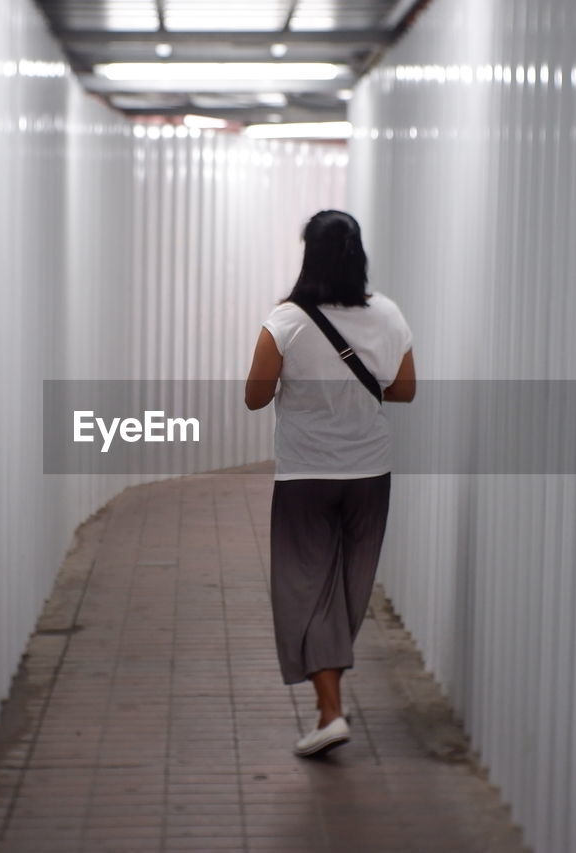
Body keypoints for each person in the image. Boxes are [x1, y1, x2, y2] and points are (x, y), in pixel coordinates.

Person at [244, 209, 416, 757]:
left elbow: (254, 395)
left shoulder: (287, 321)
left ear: (308, 255)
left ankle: (330, 710)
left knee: (305, 587)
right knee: (348, 587)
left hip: (306, 476)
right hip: (369, 473)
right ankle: (330, 702)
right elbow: (406, 389)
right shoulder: (388, 314)